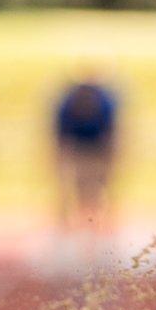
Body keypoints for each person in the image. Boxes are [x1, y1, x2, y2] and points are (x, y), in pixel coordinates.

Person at [52, 73, 120, 244]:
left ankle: (98, 229)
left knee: (98, 191)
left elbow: (111, 134)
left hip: (97, 150)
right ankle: (75, 228)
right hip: (79, 150)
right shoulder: (68, 104)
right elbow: (61, 135)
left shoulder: (105, 103)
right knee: (79, 189)